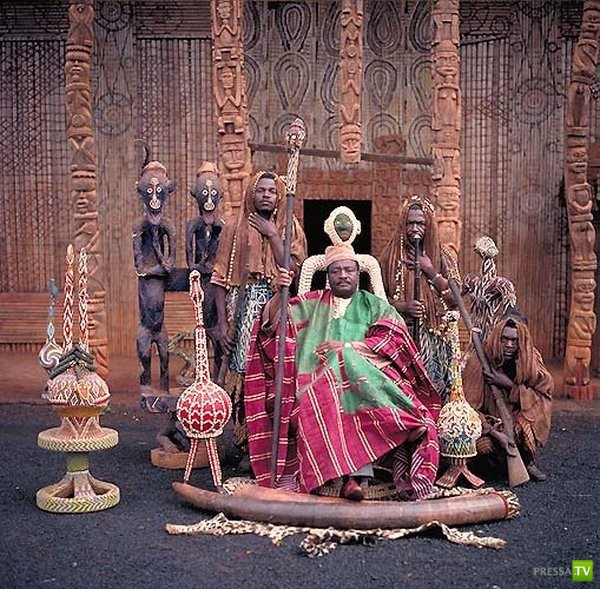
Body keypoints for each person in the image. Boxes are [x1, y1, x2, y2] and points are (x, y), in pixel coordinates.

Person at [245, 243, 441, 501]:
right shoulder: (311, 303)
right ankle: (352, 477)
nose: (343, 275)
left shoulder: (373, 305)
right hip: (314, 382)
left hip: (366, 380)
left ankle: (386, 444)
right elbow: (274, 325)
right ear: (328, 276)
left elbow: (395, 340)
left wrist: (349, 348)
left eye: (349, 270)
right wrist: (278, 292)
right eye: (336, 271)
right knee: (329, 394)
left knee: (346, 365)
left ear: (358, 273)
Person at [211, 170, 307, 451]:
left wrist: (274, 235)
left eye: (272, 191)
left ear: (279, 196)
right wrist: (223, 325)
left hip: (277, 304)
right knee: (243, 371)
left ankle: (273, 443)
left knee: (274, 371)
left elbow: (293, 268)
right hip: (242, 306)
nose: (266, 195)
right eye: (261, 190)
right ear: (251, 194)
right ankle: (246, 443)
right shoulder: (234, 226)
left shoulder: (289, 227)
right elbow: (219, 278)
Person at [380, 194, 460, 402]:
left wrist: (430, 270)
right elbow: (376, 299)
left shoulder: (443, 256)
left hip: (435, 338)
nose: (415, 228)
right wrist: (402, 306)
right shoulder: (389, 257)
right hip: (400, 336)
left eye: (420, 223)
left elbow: (456, 298)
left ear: (429, 225)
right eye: (410, 223)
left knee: (434, 390)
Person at [462, 309, 553, 482]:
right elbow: (468, 407)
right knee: (485, 448)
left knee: (526, 431)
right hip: (487, 424)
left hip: (515, 421)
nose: (509, 345)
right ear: (498, 337)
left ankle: (526, 461)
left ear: (522, 341)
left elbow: (543, 398)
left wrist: (509, 385)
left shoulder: (531, 359)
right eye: (504, 339)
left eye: (514, 340)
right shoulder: (480, 359)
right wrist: (495, 433)